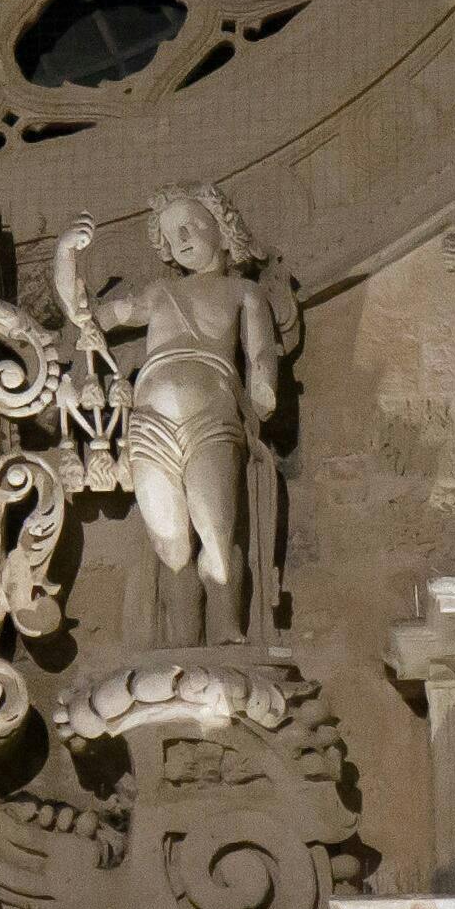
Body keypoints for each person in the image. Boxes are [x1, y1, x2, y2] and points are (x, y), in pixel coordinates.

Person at [54, 182, 279, 646]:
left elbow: (259, 352)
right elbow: (89, 317)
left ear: (223, 229)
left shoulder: (243, 291)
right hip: (150, 422)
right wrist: (64, 258)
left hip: (212, 414)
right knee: (171, 543)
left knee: (216, 534)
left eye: (194, 225)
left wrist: (263, 388)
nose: (185, 238)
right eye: (174, 234)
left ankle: (226, 632)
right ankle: (182, 646)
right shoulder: (159, 294)